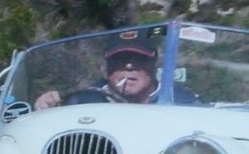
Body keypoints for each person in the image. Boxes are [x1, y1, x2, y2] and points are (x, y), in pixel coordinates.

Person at [34, 33, 196, 109]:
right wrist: (46, 106)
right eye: (120, 59)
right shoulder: (81, 102)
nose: (129, 66)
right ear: (106, 68)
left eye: (139, 59)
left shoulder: (184, 103)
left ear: (153, 64)